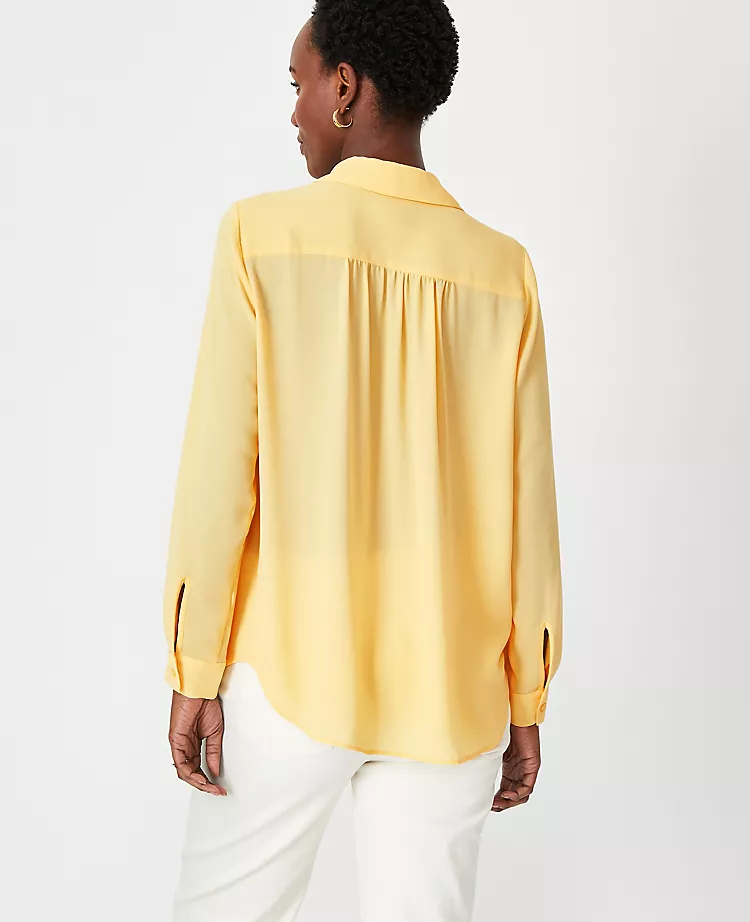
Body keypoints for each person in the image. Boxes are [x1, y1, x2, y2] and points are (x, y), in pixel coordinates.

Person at [162, 2, 563, 920]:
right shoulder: (503, 272)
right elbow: (529, 506)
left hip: (288, 673)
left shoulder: (259, 236)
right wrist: (526, 694)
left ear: (345, 86)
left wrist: (194, 666)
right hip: (451, 692)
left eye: (299, 83)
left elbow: (220, 478)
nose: (294, 109)